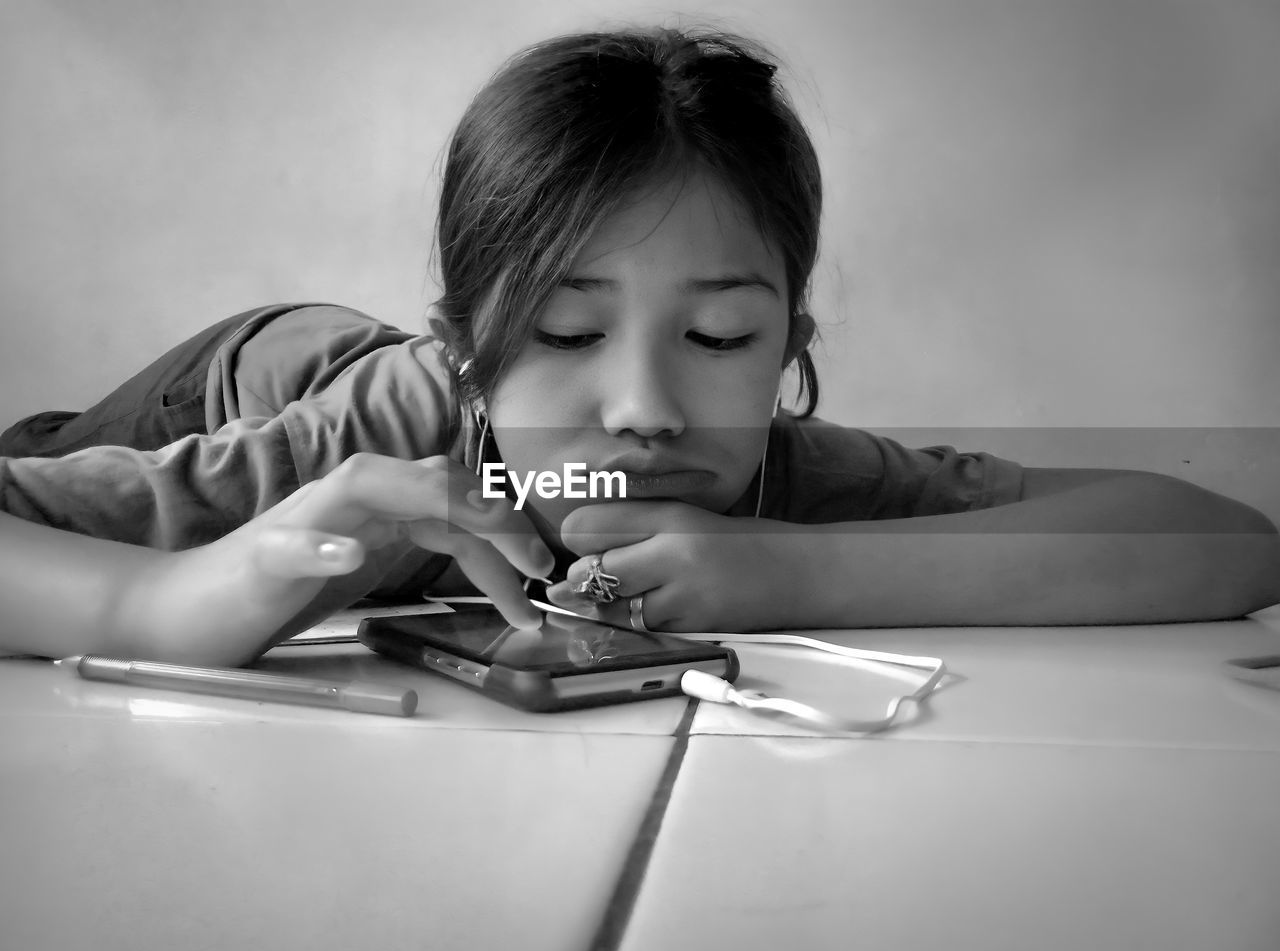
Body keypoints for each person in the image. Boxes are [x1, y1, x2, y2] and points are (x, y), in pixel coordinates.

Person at [1, 27, 1277, 667]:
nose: (645, 410)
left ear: (787, 346)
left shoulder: (777, 477)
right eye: (563, 330)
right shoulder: (384, 449)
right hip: (228, 377)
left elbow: (1221, 540)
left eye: (719, 334)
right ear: (470, 354)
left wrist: (795, 576)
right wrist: (164, 600)